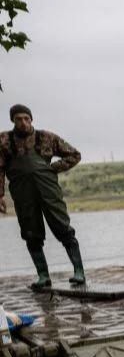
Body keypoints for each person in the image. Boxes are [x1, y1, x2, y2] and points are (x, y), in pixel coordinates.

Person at [0, 103, 86, 290]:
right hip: (22, 193)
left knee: (63, 228)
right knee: (31, 234)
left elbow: (75, 155)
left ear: (31, 119)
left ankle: (79, 271)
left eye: (26, 119)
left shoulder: (46, 137)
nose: (23, 123)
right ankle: (43, 276)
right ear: (12, 121)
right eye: (18, 119)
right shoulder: (4, 140)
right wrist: (0, 195)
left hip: (49, 191)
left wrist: (53, 167)